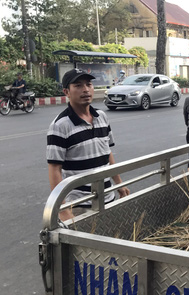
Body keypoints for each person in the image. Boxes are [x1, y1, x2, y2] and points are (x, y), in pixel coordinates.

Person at [47, 68, 130, 221]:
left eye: (88, 84)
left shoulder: (102, 117)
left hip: (108, 198)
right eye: (78, 85)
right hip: (80, 205)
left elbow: (107, 154)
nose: (85, 90)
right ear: (67, 92)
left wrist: (119, 184)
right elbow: (54, 168)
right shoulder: (60, 125)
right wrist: (63, 209)